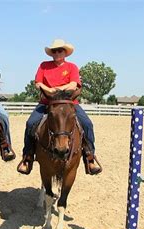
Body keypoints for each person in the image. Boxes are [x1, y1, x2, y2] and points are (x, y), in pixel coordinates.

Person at [16, 39, 102, 175]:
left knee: (87, 124)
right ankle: (28, 157)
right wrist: (49, 91)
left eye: (60, 50)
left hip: (69, 103)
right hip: (47, 102)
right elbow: (38, 83)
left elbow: (74, 85)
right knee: (31, 123)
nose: (57, 53)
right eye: (54, 51)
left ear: (65, 53)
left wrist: (56, 89)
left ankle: (89, 157)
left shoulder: (72, 67)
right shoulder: (44, 66)